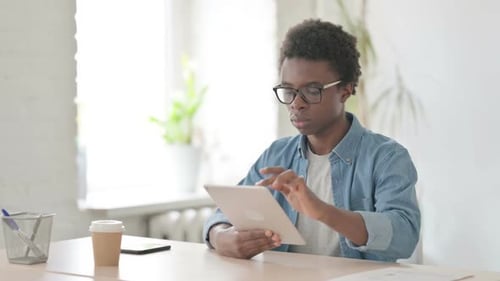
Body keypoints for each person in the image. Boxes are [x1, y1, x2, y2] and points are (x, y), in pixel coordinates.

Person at [202, 19, 420, 262]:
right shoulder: (277, 155)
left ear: (345, 91)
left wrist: (323, 212)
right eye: (288, 90)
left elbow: (404, 237)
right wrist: (222, 238)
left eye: (312, 90)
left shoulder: (386, 157)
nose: (297, 102)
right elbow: (222, 215)